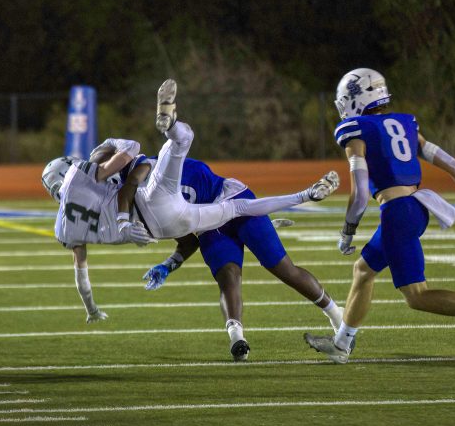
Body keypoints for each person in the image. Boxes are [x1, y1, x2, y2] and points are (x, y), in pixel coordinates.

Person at [41, 79, 339, 324]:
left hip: (163, 228)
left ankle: (304, 195)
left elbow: (82, 276)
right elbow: (129, 164)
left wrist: (93, 309)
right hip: (158, 207)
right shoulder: (89, 176)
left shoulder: (63, 231)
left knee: (235, 212)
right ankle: (303, 195)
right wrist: (107, 148)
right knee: (210, 174)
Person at [304, 67, 455, 363]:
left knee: (416, 296)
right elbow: (452, 164)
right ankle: (342, 344)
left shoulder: (355, 130)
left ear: (355, 99)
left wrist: (348, 230)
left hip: (398, 213)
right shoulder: (406, 123)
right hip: (417, 207)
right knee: (363, 270)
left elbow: (360, 194)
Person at [132, 153, 344, 361]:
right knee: (228, 275)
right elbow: (187, 241)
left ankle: (336, 314)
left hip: (233, 199)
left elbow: (243, 206)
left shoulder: (167, 168)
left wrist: (304, 196)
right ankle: (237, 339)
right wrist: (167, 265)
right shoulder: (149, 203)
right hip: (209, 223)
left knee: (283, 268)